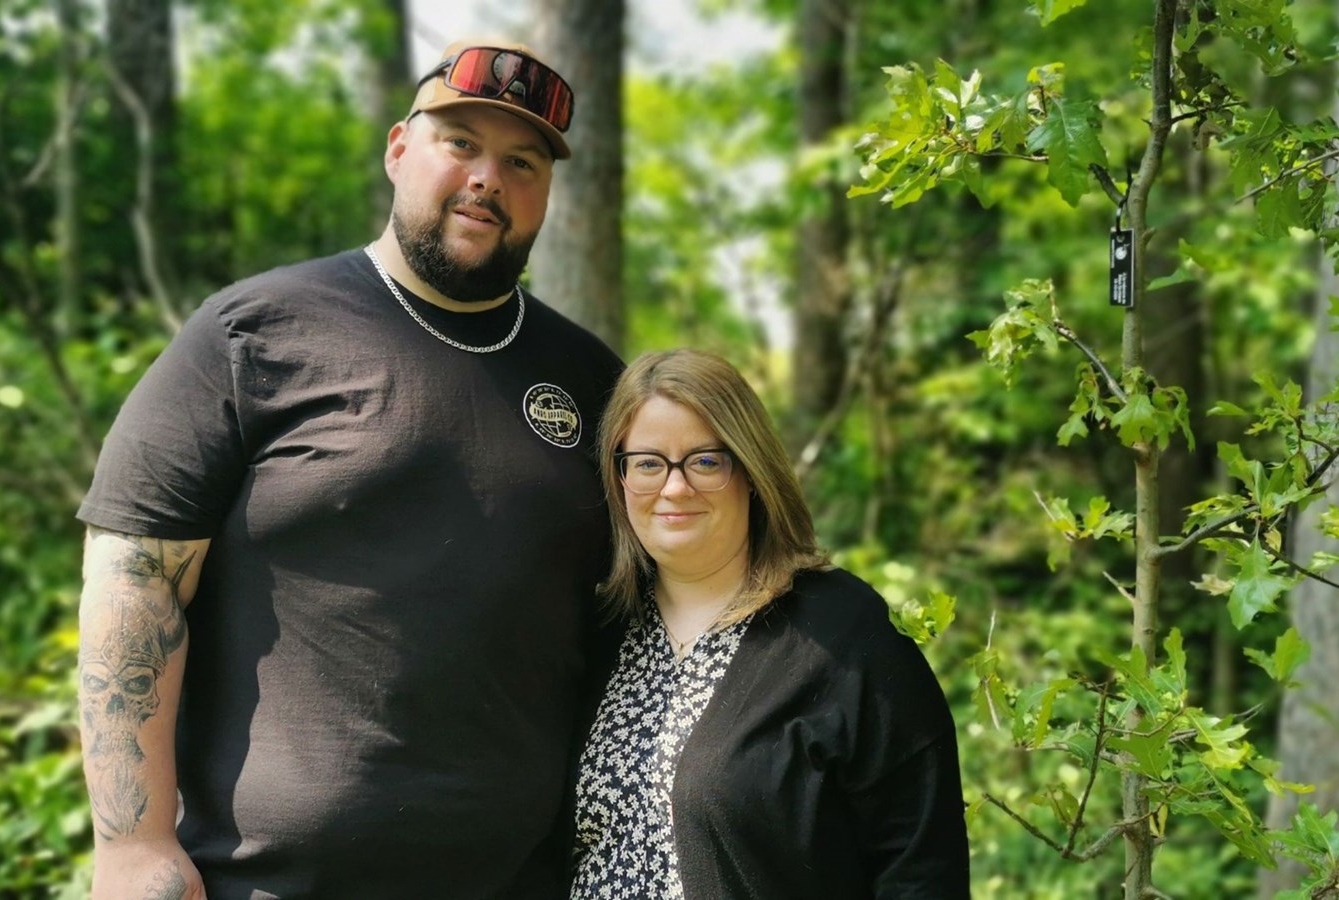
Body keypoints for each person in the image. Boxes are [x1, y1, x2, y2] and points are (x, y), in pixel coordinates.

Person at [75, 39, 622, 899]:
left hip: (519, 881)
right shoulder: (254, 331)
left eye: (522, 161)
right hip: (261, 882)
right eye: (461, 144)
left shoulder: (592, 380)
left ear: (546, 193)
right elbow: (135, 581)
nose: (488, 178)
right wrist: (133, 842)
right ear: (400, 149)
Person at [571, 349, 971, 898]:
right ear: (618, 479)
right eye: (647, 463)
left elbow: (921, 863)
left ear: (752, 472)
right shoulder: (595, 628)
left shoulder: (841, 633)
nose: (674, 487)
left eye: (705, 461)